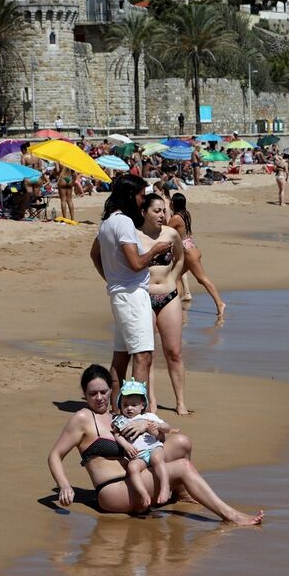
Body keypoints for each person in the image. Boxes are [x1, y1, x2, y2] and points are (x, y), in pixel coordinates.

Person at [48, 365, 263, 525]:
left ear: (111, 390)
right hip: (113, 491)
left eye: (103, 392)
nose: (99, 398)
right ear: (84, 394)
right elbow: (55, 456)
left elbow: (153, 443)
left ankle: (182, 493)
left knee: (181, 442)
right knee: (183, 467)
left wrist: (147, 426)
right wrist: (65, 485)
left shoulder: (117, 415)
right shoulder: (83, 418)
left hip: (136, 476)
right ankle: (230, 515)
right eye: (92, 393)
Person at [90, 174, 170, 408]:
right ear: (130, 195)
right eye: (141, 196)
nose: (142, 200)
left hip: (121, 293)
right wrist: (155, 250)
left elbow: (94, 254)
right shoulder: (124, 222)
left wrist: (111, 278)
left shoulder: (107, 222)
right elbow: (136, 263)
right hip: (132, 294)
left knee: (122, 355)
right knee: (143, 355)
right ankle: (136, 409)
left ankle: (117, 409)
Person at [138, 194, 189, 415]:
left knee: (174, 351)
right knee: (147, 353)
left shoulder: (171, 234)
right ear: (144, 212)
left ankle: (180, 401)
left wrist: (173, 279)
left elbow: (180, 258)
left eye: (163, 211)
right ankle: (151, 400)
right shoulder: (135, 236)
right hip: (144, 297)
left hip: (169, 296)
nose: (161, 215)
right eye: (156, 211)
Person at [112, 379, 172, 508]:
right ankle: (143, 494)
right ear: (120, 405)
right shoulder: (120, 420)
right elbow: (117, 434)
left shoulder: (149, 417)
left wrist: (159, 426)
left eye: (134, 405)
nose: (129, 408)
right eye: (125, 405)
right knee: (132, 467)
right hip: (138, 456)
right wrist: (126, 445)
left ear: (143, 405)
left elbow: (168, 428)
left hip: (153, 448)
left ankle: (165, 486)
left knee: (157, 459)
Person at [168, 193, 226, 322]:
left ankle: (220, 303)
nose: (170, 203)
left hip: (188, 252)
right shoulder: (186, 214)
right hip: (191, 247)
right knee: (176, 276)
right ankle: (175, 304)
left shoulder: (176, 217)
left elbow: (165, 230)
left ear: (174, 203)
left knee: (202, 279)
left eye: (171, 201)